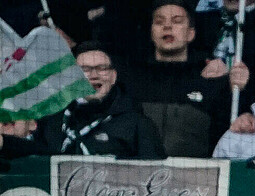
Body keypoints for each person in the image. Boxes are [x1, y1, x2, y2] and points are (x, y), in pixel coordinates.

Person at [117, 0, 233, 157]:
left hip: (195, 177)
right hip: (136, 174)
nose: (167, 26)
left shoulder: (210, 80)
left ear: (191, 33)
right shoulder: (130, 78)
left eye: (177, 21)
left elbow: (222, 138)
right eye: (159, 22)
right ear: (152, 32)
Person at [34, 42, 167, 159]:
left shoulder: (138, 125)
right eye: (84, 70)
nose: (93, 75)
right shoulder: (51, 121)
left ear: (113, 77)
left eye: (101, 68)